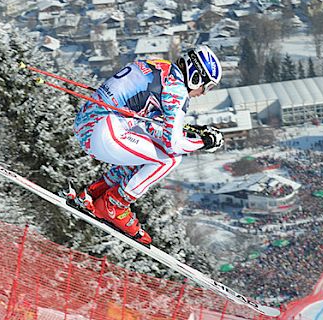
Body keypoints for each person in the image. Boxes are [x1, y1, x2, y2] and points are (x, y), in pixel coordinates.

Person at [72, 45, 224, 244]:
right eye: (207, 86)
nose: (203, 93)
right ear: (196, 76)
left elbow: (152, 127)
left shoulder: (159, 67)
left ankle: (95, 193)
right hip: (103, 131)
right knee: (169, 160)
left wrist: (187, 131)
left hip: (90, 124)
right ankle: (114, 205)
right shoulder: (177, 90)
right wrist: (203, 142)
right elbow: (173, 145)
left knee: (150, 153)